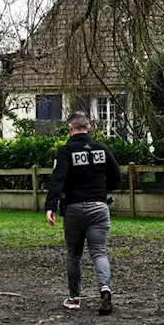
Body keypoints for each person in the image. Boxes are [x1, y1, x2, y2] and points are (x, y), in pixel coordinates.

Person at [45, 111, 121, 314]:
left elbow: (58, 179)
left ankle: (74, 297)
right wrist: (102, 192)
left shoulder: (65, 151)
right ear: (89, 127)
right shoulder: (102, 149)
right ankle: (104, 288)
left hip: (74, 209)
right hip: (99, 207)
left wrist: (50, 206)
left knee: (74, 255)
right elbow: (116, 176)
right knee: (99, 252)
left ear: (70, 128)